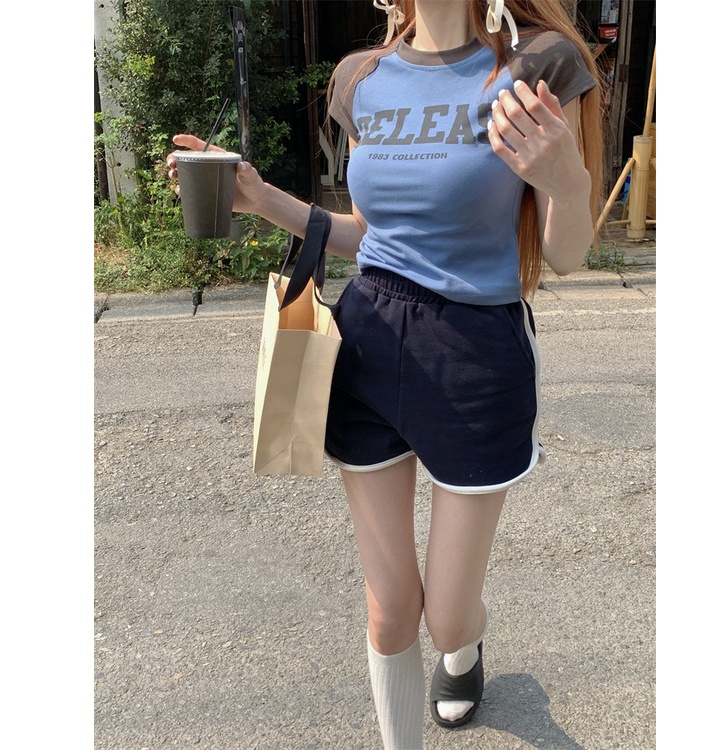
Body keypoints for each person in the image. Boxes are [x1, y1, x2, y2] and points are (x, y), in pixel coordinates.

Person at [168, 1, 603, 747]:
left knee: (448, 618)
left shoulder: (536, 65)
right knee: (391, 607)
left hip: (474, 355)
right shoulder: (360, 78)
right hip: (368, 340)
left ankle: (463, 653)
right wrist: (259, 197)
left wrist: (568, 182)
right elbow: (370, 234)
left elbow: (565, 256)